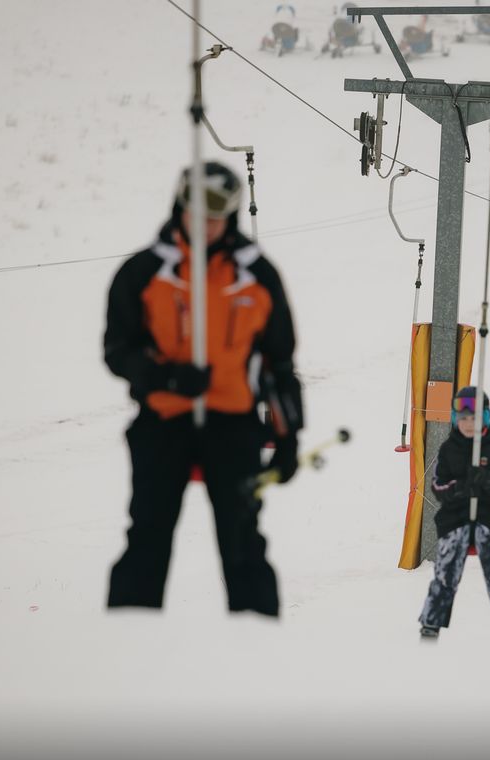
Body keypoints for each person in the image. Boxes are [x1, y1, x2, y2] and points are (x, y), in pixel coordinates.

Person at [104, 161, 303, 614]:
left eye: (215, 218)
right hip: (163, 422)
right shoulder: (144, 272)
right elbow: (118, 350)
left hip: (233, 426)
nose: (205, 227)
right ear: (179, 209)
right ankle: (128, 636)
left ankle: (255, 642)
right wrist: (165, 376)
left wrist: (289, 434)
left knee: (243, 541)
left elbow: (280, 364)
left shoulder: (257, 277)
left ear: (230, 217)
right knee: (147, 536)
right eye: (195, 215)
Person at [419, 386, 490, 648]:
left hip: (487, 517)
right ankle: (431, 623)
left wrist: (486, 480)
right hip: (454, 517)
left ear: (486, 418)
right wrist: (459, 488)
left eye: (475, 418)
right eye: (463, 418)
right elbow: (438, 486)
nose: (469, 424)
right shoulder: (448, 450)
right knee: (446, 569)